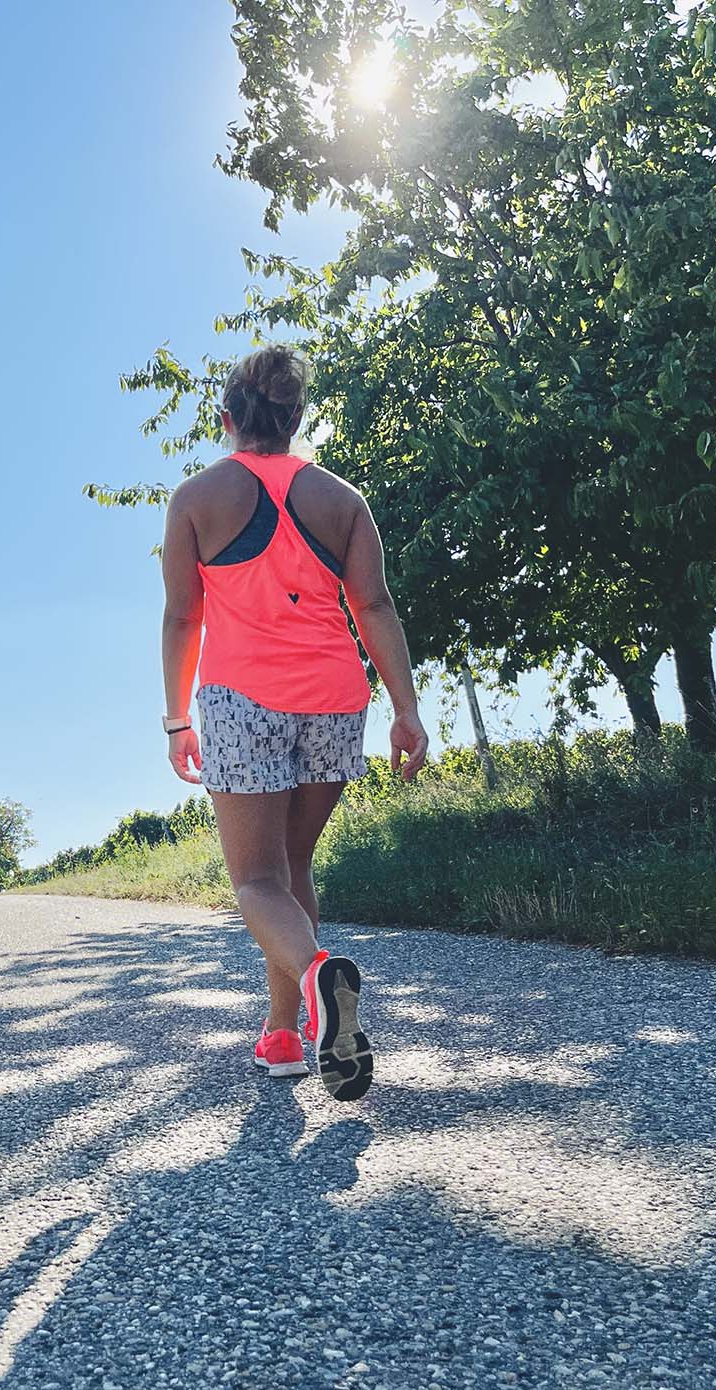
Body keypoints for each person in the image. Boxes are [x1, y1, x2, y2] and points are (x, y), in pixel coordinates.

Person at [159, 345, 427, 1103]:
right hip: (337, 697)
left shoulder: (196, 499)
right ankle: (284, 1035)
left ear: (227, 420)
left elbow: (185, 615)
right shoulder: (342, 499)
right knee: (293, 870)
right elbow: (374, 606)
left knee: (254, 880)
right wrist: (406, 710)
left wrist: (178, 719)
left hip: (243, 702)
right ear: (295, 418)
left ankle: (319, 976)